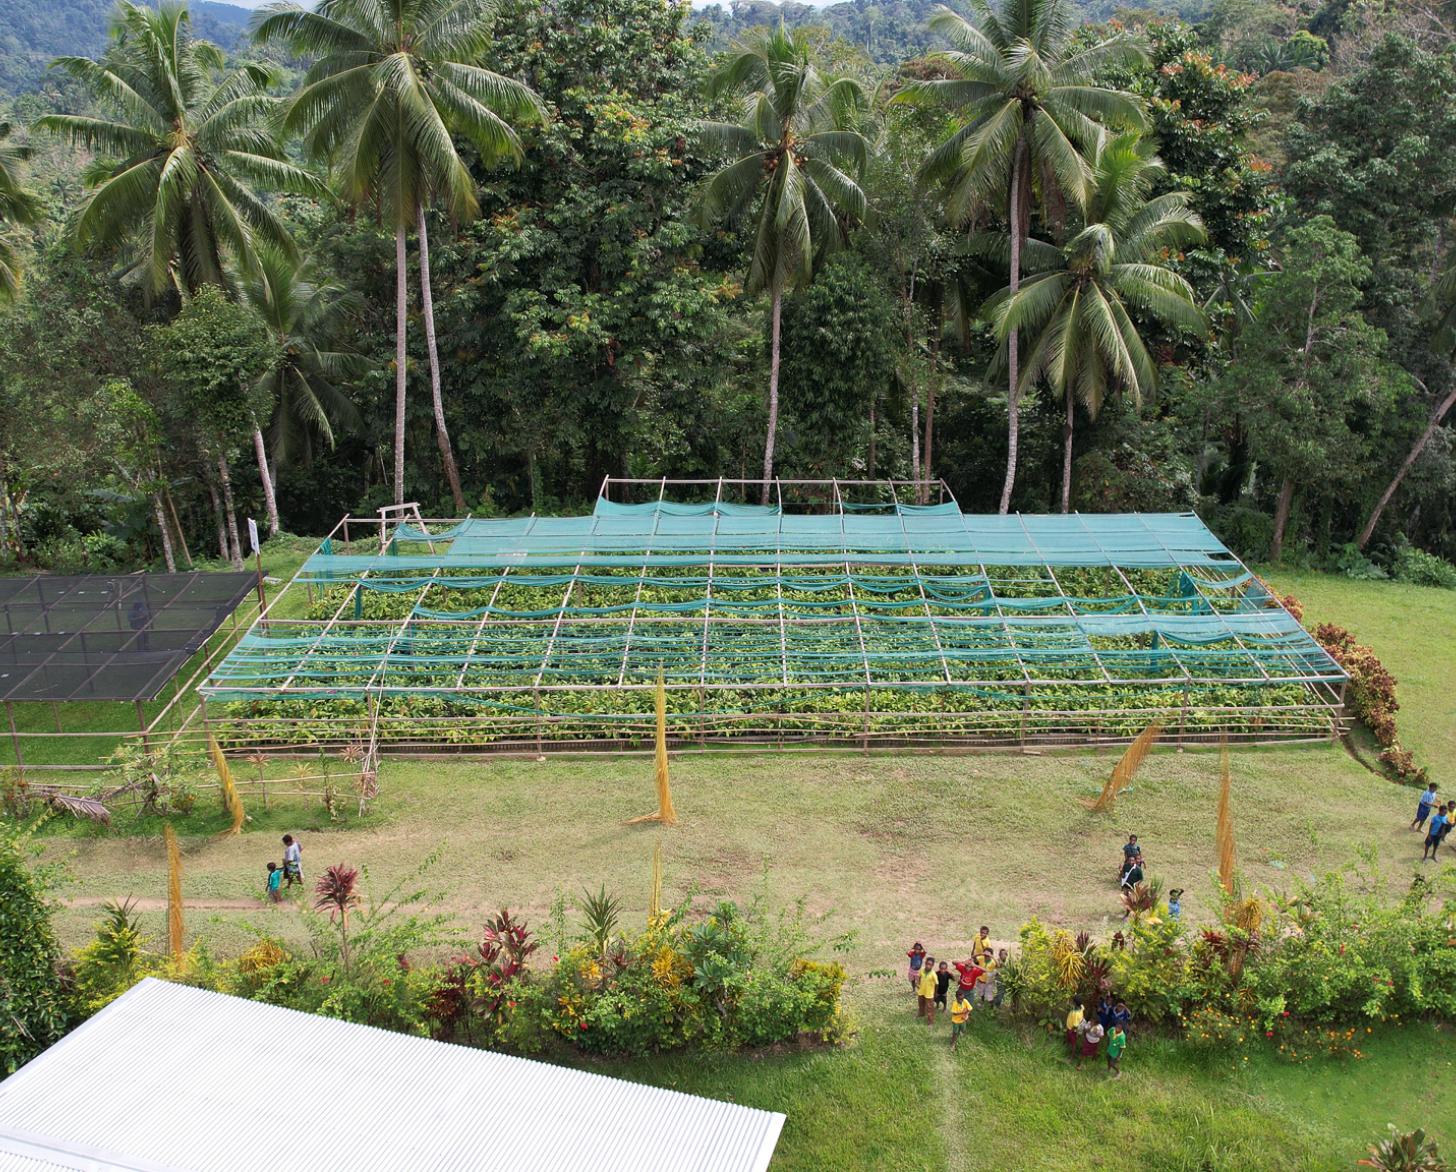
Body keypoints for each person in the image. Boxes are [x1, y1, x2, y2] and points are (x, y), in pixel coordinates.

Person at [918, 958, 939, 1024]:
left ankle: (930, 1021)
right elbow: (919, 977)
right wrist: (919, 984)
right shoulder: (922, 970)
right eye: (927, 964)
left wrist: (935, 993)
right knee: (921, 1004)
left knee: (929, 1008)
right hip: (921, 992)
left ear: (932, 965)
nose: (928, 966)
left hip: (929, 994)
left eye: (930, 964)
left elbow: (936, 984)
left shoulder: (933, 974)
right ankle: (921, 1014)